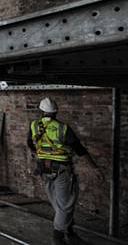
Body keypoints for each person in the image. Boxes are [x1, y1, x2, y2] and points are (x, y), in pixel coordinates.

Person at [27, 97, 104, 245]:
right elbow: (79, 149)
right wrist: (94, 167)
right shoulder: (63, 128)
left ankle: (69, 231)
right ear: (56, 112)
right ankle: (58, 238)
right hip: (62, 170)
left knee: (58, 203)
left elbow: (30, 143)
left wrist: (39, 154)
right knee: (65, 205)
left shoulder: (34, 126)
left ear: (42, 111)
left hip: (44, 169)